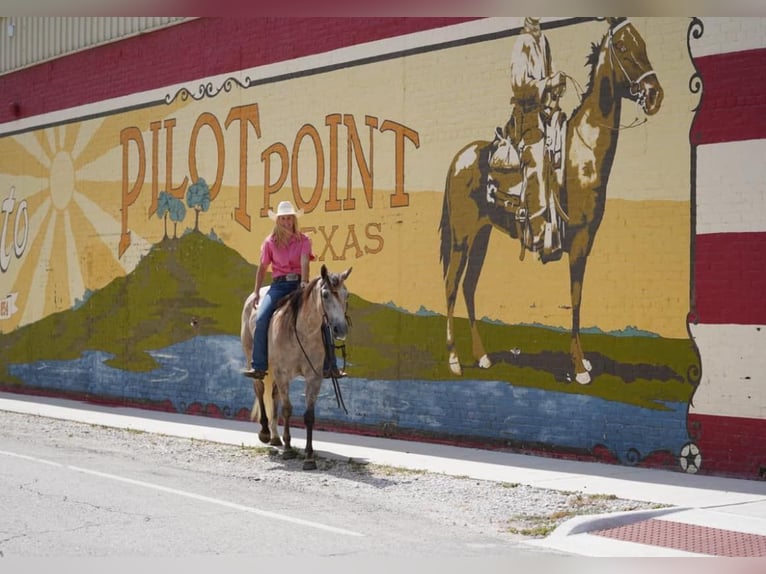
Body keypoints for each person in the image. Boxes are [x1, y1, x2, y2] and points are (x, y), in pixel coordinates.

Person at [243, 200, 346, 380]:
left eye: (289, 219)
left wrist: (305, 283)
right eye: (283, 219)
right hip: (278, 285)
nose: (286, 222)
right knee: (261, 317)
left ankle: (331, 366)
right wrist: (257, 291)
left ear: (293, 220)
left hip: (298, 284)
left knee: (324, 316)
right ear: (278, 220)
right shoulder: (269, 242)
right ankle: (259, 365)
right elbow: (262, 268)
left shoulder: (303, 240)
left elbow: (304, 260)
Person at [502, 16, 565, 261]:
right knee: (536, 163)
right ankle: (539, 233)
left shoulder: (543, 40)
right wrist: (548, 82)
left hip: (545, 113)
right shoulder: (522, 42)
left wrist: (556, 84)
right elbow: (519, 84)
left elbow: (549, 75)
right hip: (527, 116)